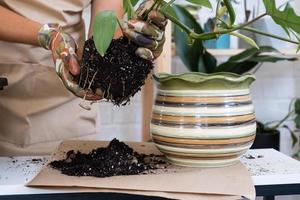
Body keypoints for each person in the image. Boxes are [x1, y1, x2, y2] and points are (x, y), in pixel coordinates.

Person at [0, 0, 166, 156]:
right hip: (7, 109)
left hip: (71, 117)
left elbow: (105, 40)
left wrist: (134, 51)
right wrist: (49, 36)